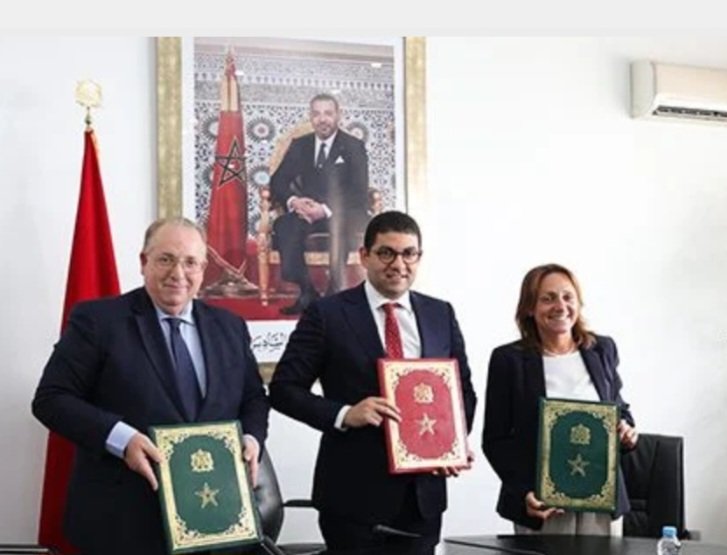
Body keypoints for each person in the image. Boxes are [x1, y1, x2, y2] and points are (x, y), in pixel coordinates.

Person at [31, 217, 270, 555]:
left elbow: (254, 398)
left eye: (190, 262)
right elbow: (51, 399)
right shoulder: (98, 321)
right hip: (124, 521)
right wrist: (122, 439)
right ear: (144, 262)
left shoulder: (229, 326)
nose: (178, 273)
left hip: (214, 518)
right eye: (165, 259)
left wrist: (252, 438)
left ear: (204, 269)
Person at [269, 210, 477, 553]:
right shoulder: (327, 314)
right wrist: (344, 414)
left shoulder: (440, 313)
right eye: (386, 253)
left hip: (422, 497)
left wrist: (451, 441)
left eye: (409, 253)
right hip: (353, 497)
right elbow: (283, 390)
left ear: (419, 257)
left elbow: (462, 391)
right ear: (364, 256)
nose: (399, 264)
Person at [482, 263, 637, 536]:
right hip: (543, 505)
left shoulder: (602, 349)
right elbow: (496, 440)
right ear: (529, 308)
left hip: (601, 502)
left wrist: (626, 429)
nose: (560, 306)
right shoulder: (508, 360)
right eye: (548, 298)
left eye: (568, 297)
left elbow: (619, 408)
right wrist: (523, 492)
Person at [270, 93, 369, 315]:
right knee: (284, 225)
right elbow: (278, 180)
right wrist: (295, 201)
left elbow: (359, 191)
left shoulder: (353, 146)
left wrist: (324, 210)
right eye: (316, 114)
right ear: (310, 117)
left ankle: (334, 293)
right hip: (308, 211)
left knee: (341, 227)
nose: (322, 119)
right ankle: (307, 292)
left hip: (344, 212)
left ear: (338, 115)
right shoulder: (301, 145)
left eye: (328, 113)